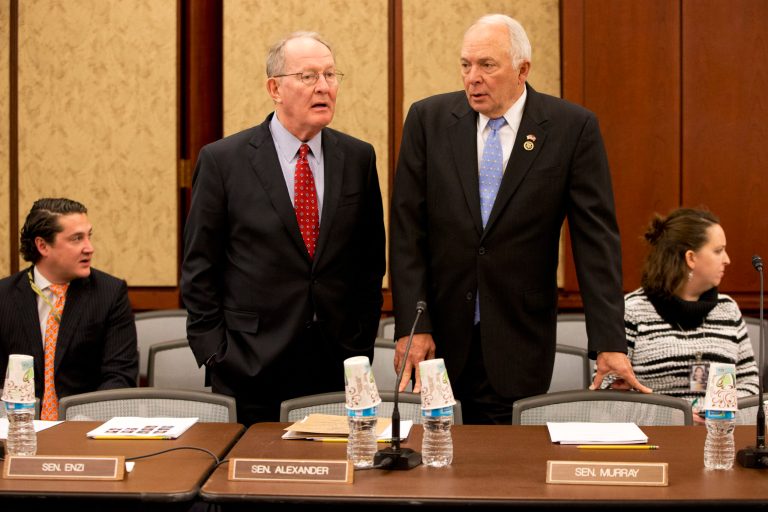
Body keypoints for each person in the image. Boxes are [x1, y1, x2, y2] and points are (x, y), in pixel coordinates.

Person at [389, 14, 650, 425]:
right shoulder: (429, 120)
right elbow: (407, 232)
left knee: (500, 471)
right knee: (431, 466)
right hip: (438, 337)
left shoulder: (570, 128)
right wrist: (411, 324)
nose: (472, 77)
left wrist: (608, 343)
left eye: (487, 66)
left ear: (522, 69)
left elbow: (594, 241)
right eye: (465, 65)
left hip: (517, 337)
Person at [181, 31, 385, 426]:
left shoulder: (358, 157)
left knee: (334, 483)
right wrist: (215, 353)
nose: (324, 87)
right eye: (309, 77)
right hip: (249, 366)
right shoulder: (224, 161)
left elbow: (369, 261)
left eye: (330, 75)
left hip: (336, 368)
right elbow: (198, 268)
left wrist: (360, 345)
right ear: (274, 88)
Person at [0, 198, 138, 420]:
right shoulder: (4, 296)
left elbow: (119, 376)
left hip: (85, 428)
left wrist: (84, 423)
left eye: (88, 236)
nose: (89, 248)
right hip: (17, 429)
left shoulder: (110, 293)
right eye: (76, 239)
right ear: (43, 246)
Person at [624, 208, 759, 422]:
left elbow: (750, 385)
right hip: (656, 440)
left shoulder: (728, 309)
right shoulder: (632, 309)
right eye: (718, 250)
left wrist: (717, 414)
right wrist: (676, 416)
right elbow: (609, 395)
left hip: (718, 437)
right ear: (691, 258)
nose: (727, 260)